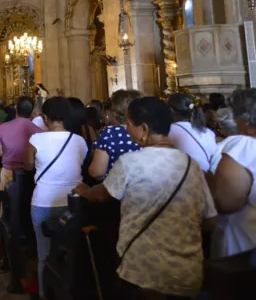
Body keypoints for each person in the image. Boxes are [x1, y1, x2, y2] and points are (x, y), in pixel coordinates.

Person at [74, 97, 217, 299]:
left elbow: (103, 194)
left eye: (129, 124)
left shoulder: (130, 162)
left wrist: (84, 191)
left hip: (142, 270)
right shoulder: (190, 164)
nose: (126, 129)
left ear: (143, 128)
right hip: (186, 271)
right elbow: (210, 220)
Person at [26, 96, 87, 298]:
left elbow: (27, 165)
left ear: (44, 117)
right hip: (73, 203)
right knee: (72, 251)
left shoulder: (36, 139)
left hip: (43, 201)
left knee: (43, 253)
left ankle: (45, 294)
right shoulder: (79, 140)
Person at [207, 88, 256, 258]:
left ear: (246, 121)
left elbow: (226, 202)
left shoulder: (244, 146)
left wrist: (206, 178)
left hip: (246, 245)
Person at [89, 90, 143, 180]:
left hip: (115, 188)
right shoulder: (147, 130)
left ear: (114, 113)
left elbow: (97, 172)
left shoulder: (110, 133)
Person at [0, 96, 41, 191]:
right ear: (32, 111)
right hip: (31, 175)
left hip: (8, 172)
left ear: (16, 107)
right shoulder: (39, 132)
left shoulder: (3, 127)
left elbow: (0, 153)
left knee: (7, 203)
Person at [168, 93, 216, 172]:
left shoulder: (169, 130)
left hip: (185, 176)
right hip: (206, 177)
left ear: (171, 110)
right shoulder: (208, 132)